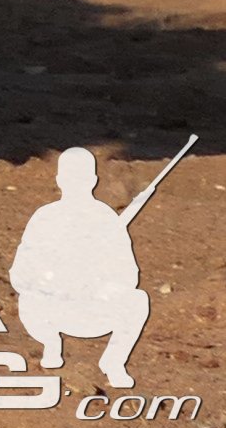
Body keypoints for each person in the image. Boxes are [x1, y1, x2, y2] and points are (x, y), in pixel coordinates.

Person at [10, 145, 155, 389]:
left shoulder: (106, 219)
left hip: (94, 309)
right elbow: (20, 273)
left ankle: (113, 361)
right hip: (52, 309)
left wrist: (99, 281)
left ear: (92, 181)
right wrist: (49, 278)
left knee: (137, 300)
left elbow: (129, 276)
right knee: (28, 299)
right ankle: (51, 343)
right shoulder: (45, 218)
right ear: (60, 180)